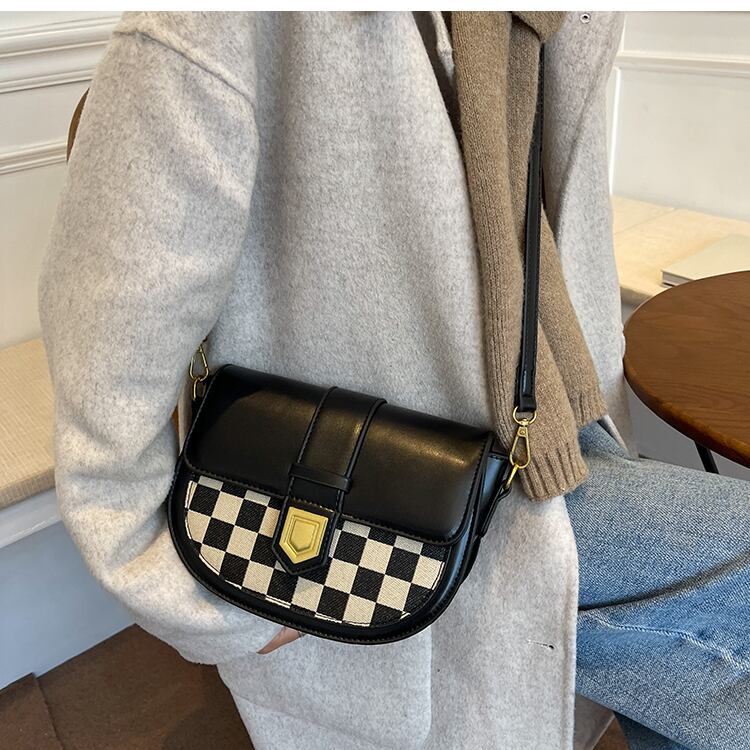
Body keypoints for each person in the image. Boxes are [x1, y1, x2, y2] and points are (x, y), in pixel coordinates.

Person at [37, 11, 749, 750]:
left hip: (551, 435)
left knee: (689, 683)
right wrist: (192, 597)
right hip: (369, 508)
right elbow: (107, 346)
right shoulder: (217, 25)